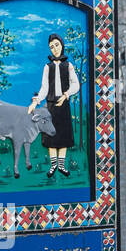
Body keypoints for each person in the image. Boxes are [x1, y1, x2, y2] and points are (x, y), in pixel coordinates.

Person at [29, 34, 78, 178]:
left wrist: (66, 95)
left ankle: (62, 166)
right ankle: (53, 166)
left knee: (63, 136)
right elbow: (44, 87)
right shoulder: (47, 67)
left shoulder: (68, 66)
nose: (55, 49)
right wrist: (36, 101)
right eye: (51, 47)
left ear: (62, 45)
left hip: (63, 104)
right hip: (50, 105)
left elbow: (76, 84)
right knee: (50, 138)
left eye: (57, 45)